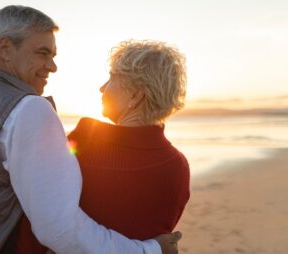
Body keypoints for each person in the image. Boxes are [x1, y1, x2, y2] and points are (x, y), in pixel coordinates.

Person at [0, 5, 181, 254]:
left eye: (53, 55)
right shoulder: (28, 109)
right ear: (6, 50)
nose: (52, 66)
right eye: (43, 53)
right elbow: (59, 230)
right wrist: (150, 250)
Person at [15, 40, 190, 254]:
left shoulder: (83, 143)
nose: (102, 87)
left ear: (135, 95)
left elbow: (37, 226)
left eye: (112, 77)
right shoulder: (178, 167)